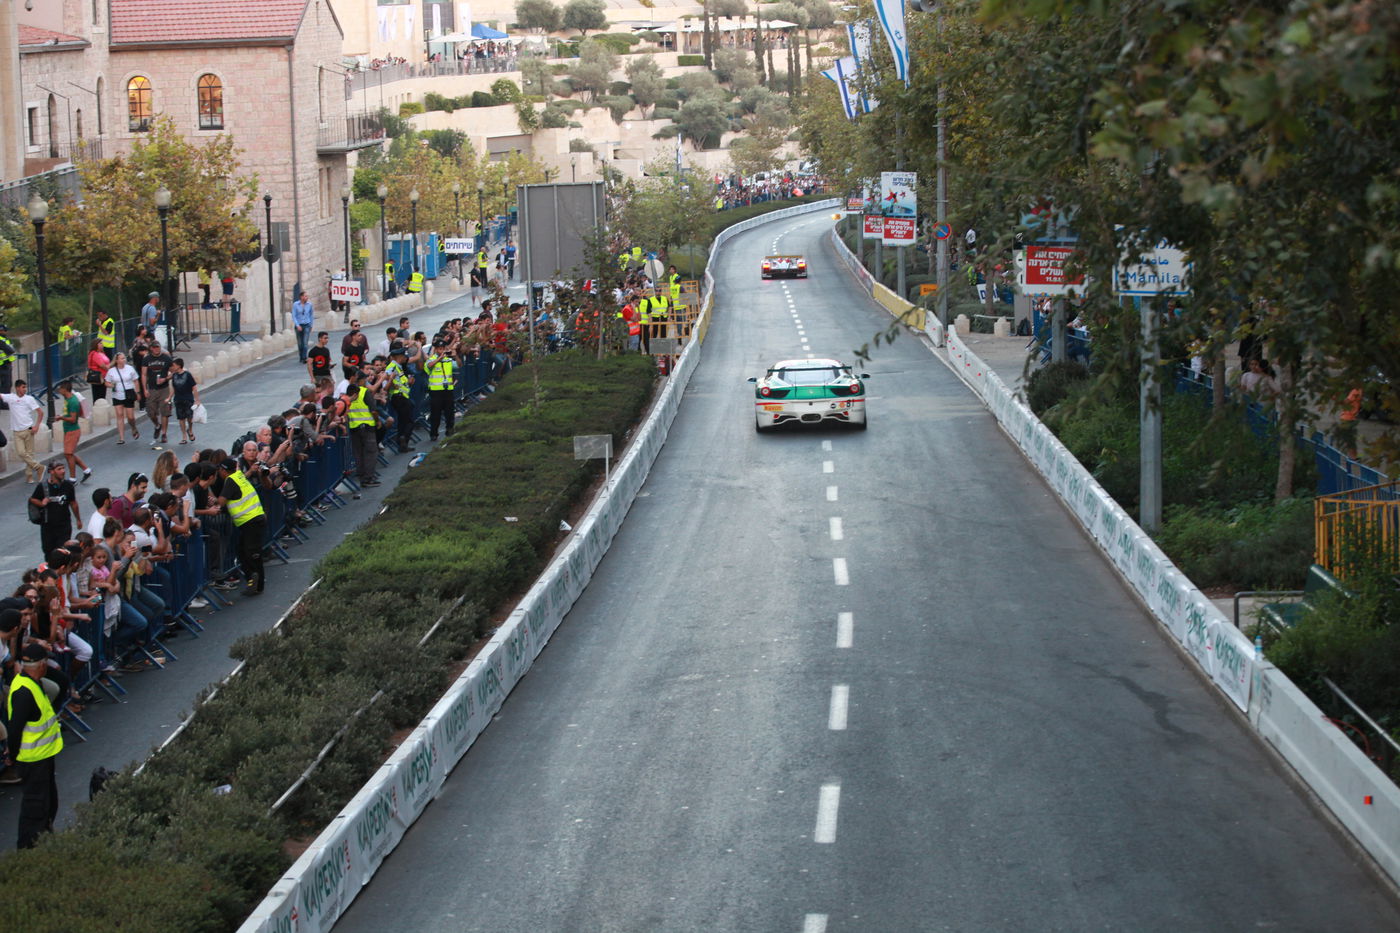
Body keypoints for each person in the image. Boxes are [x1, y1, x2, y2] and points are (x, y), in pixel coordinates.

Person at [5, 642, 63, 849]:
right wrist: (13, 753)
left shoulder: (33, 682)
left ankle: (44, 839)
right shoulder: (24, 691)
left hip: (43, 755)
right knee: (35, 807)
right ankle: (28, 849)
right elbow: (15, 728)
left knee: (48, 803)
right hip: (33, 759)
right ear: (42, 665)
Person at [220, 454, 267, 595]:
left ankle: (257, 583)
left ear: (223, 471)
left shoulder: (230, 480)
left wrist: (214, 503)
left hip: (250, 521)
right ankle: (253, 579)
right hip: (254, 519)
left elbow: (222, 501)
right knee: (242, 551)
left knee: (252, 554)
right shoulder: (239, 476)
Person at [30, 460, 80, 559]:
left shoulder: (68, 486)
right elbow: (33, 499)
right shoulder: (43, 486)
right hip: (48, 526)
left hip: (64, 525)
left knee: (63, 551)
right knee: (49, 552)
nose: (63, 471)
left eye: (63, 468)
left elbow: (73, 503)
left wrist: (78, 519)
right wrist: (42, 503)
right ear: (51, 471)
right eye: (59, 469)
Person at [2, 380, 44, 483]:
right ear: (17, 388)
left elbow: (40, 412)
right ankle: (38, 467)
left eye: (25, 387)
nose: (24, 389)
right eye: (22, 387)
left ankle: (29, 476)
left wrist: (37, 426)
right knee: (21, 452)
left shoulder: (29, 399)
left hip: (28, 429)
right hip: (17, 431)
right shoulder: (10, 398)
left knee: (30, 453)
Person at [343, 368, 380, 487]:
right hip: (367, 427)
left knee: (358, 454)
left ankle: (363, 477)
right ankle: (369, 478)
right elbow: (373, 411)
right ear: (362, 380)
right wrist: (377, 421)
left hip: (354, 428)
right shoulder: (364, 392)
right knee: (370, 452)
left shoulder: (346, 394)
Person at [54, 381, 91, 482]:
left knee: (68, 454)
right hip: (68, 430)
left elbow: (73, 419)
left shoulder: (73, 402)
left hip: (72, 431)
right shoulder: (67, 398)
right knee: (69, 454)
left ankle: (72, 478)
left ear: (65, 389)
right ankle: (86, 470)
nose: (59, 390)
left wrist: (61, 418)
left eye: (60, 388)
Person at [103, 352, 140, 443]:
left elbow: (135, 381)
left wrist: (138, 392)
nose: (124, 360)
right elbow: (106, 382)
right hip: (117, 395)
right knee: (119, 415)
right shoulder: (112, 371)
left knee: (130, 417)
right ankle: (121, 437)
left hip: (128, 393)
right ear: (117, 360)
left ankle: (133, 427)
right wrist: (111, 385)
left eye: (124, 358)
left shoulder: (130, 368)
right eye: (122, 358)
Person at [142, 340, 173, 446]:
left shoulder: (166, 358)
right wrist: (144, 389)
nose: (156, 349)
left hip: (164, 388)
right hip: (152, 388)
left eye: (158, 347)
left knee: (165, 411)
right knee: (151, 411)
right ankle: (157, 425)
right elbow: (144, 374)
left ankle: (164, 433)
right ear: (151, 348)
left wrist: (166, 379)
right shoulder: (147, 359)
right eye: (154, 347)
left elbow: (173, 371)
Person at [385, 345, 415, 452]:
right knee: (409, 421)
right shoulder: (392, 367)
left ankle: (402, 443)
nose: (405, 358)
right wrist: (393, 383)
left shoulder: (399, 366)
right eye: (403, 356)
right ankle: (403, 439)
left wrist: (409, 382)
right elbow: (388, 379)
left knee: (403, 421)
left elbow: (401, 382)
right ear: (399, 356)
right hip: (399, 398)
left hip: (402, 397)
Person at [425, 337, 455, 441]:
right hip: (436, 391)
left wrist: (457, 357)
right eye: (439, 349)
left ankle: (450, 429)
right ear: (436, 349)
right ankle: (434, 433)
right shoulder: (431, 359)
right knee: (435, 413)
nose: (441, 350)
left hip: (448, 390)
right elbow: (429, 366)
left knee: (449, 411)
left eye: (443, 348)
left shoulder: (448, 359)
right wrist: (439, 359)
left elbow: (458, 365)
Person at [170, 357, 201, 445]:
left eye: (174, 365)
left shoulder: (187, 375)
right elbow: (173, 388)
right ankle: (184, 436)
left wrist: (197, 400)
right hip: (178, 399)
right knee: (181, 418)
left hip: (188, 399)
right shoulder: (174, 375)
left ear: (179, 366)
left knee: (190, 418)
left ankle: (190, 430)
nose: (172, 367)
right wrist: (169, 397)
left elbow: (194, 387)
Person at [291, 290, 315, 363]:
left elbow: (311, 315)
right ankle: (301, 356)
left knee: (305, 342)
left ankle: (304, 357)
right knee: (300, 343)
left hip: (306, 325)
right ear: (301, 297)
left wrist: (311, 325)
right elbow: (294, 315)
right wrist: (297, 325)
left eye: (307, 296)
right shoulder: (295, 304)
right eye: (305, 296)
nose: (306, 297)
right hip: (299, 325)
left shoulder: (309, 305)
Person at [85, 338, 111, 403]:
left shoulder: (101, 352)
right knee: (98, 396)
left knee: (102, 395)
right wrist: (108, 367)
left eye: (102, 343)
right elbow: (102, 365)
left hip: (104, 376)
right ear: (95, 345)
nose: (102, 345)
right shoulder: (94, 354)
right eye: (100, 343)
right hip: (97, 377)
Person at [0, 321, 17, 394]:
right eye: (5, 330)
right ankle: (4, 404)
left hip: (5, 365)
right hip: (3, 365)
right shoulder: (1, 340)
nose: (6, 332)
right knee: (6, 386)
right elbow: (10, 350)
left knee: (7, 385)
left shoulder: (4, 339)